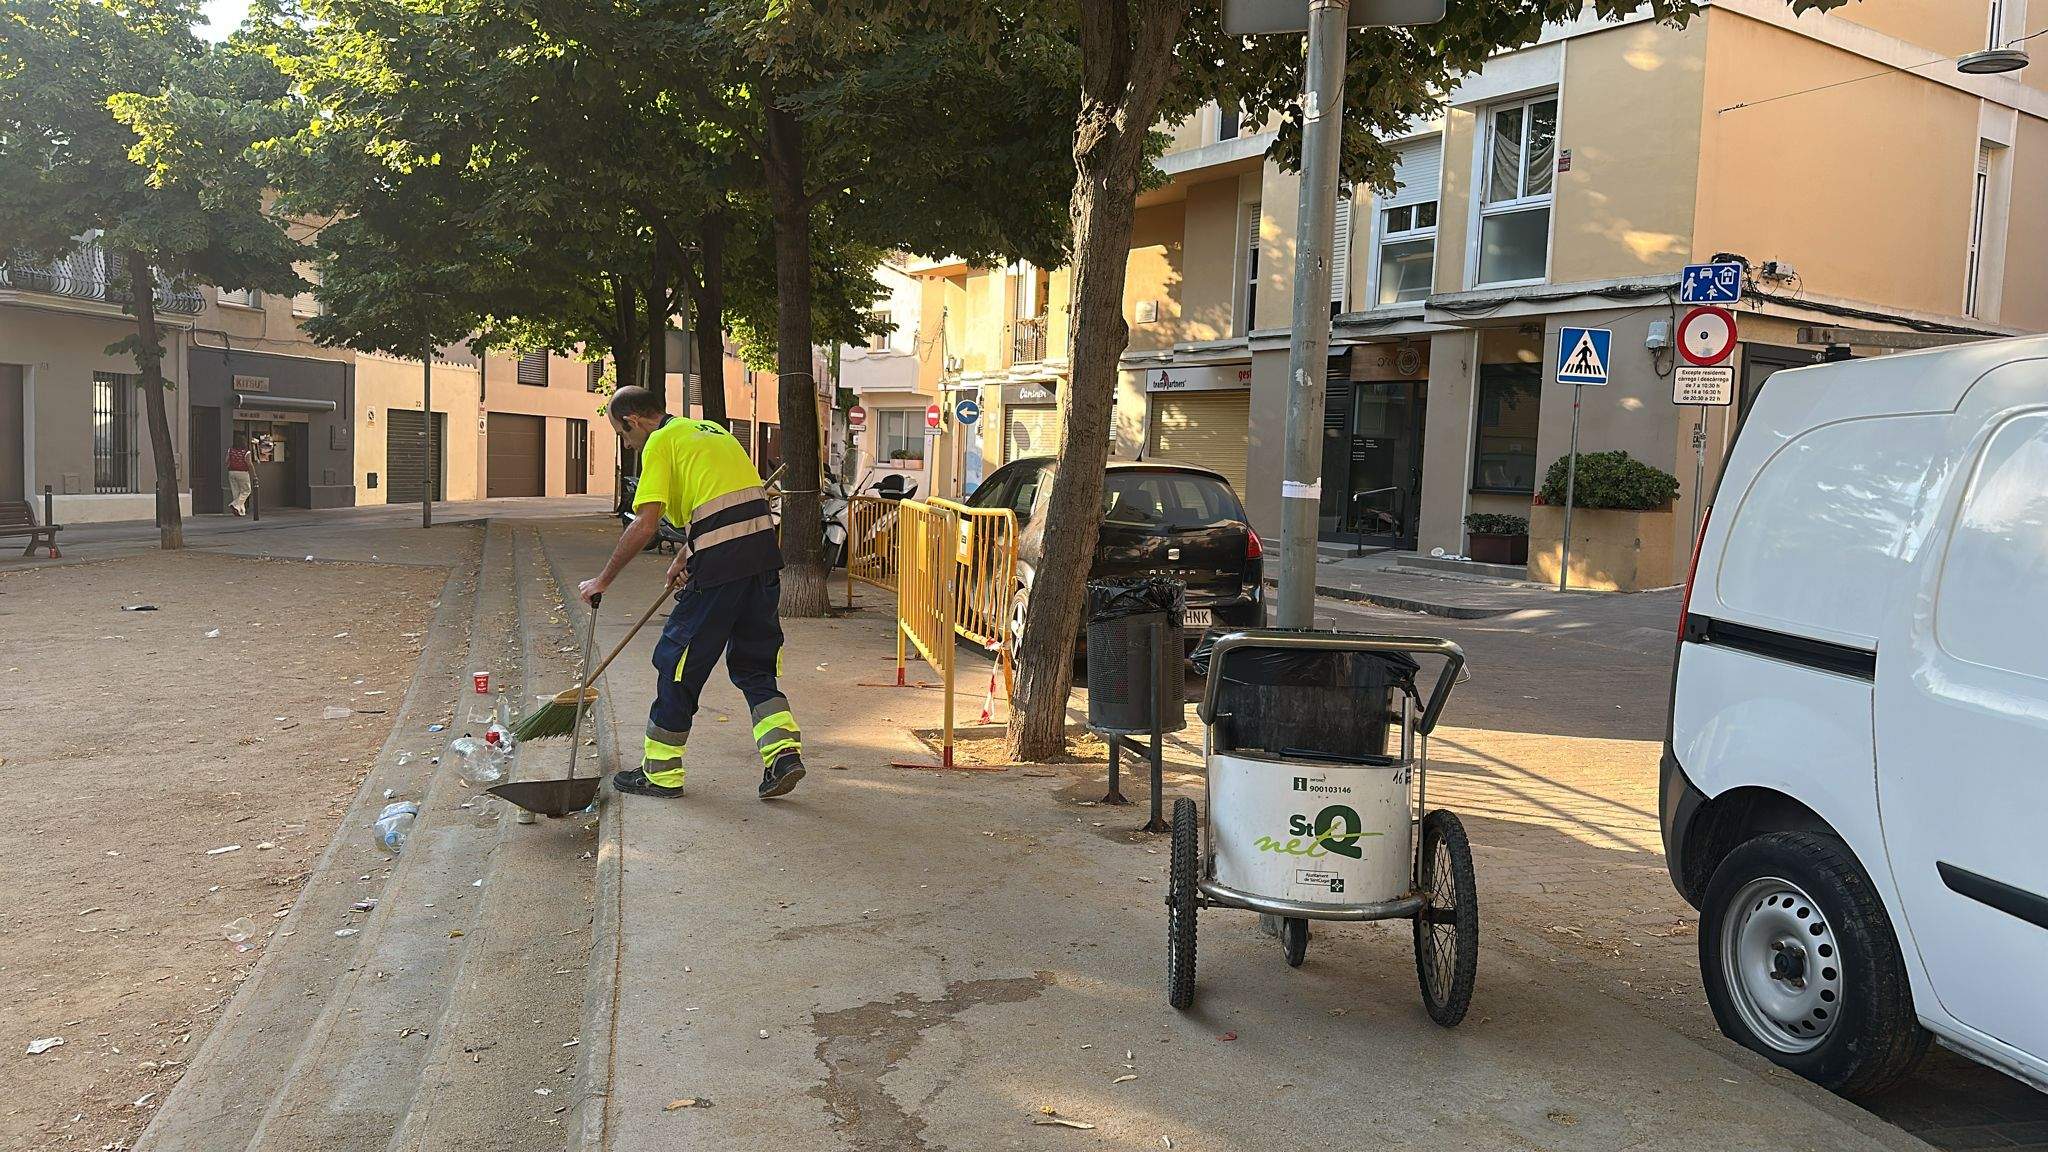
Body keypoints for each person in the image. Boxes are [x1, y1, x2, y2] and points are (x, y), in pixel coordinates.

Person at [578, 385, 805, 800]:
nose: (627, 444)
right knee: (755, 666)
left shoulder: (660, 442)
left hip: (720, 569)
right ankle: (783, 755)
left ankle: (661, 774)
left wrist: (602, 581)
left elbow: (645, 524)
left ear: (632, 421)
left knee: (678, 666)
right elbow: (722, 508)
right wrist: (685, 554)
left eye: (623, 434)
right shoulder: (713, 432)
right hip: (761, 562)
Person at [225, 436, 254, 516]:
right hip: (242, 472)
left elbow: (226, 461)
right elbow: (249, 464)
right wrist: (254, 474)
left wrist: (229, 467)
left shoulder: (230, 450)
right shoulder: (246, 452)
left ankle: (240, 511)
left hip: (231, 472)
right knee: (247, 490)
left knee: (236, 492)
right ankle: (235, 504)